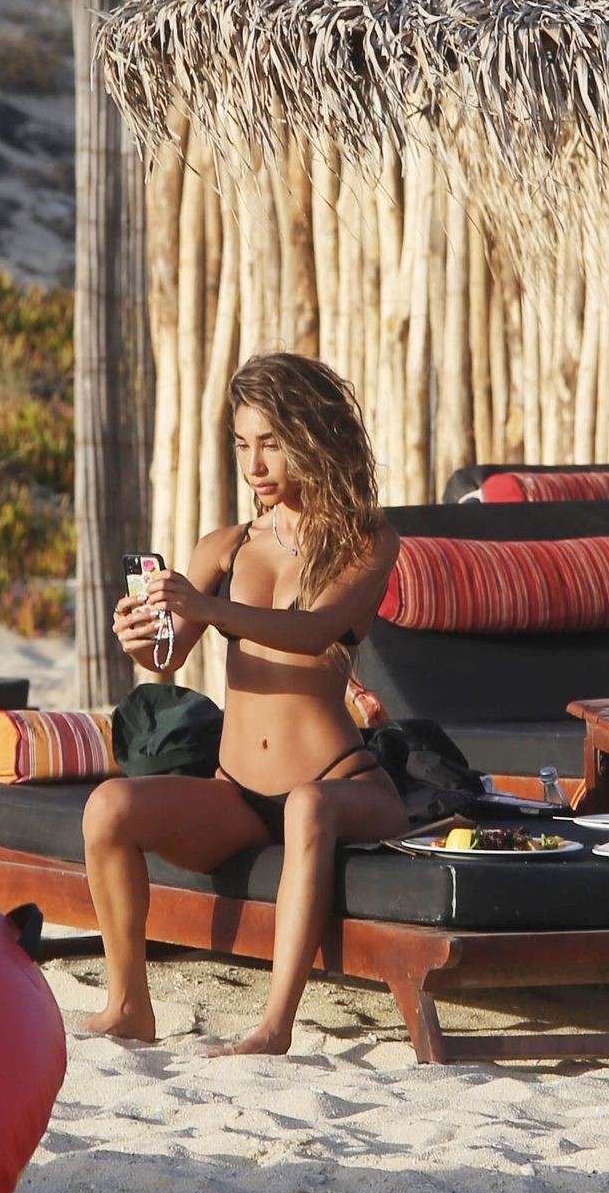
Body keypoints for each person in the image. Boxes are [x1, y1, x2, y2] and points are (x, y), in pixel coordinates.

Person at [80, 352, 408, 1054]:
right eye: (241, 444)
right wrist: (140, 637)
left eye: (271, 442)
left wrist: (206, 608)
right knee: (108, 807)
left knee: (306, 807)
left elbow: (316, 630)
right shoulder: (225, 547)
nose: (254, 464)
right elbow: (167, 656)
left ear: (312, 436)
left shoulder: (366, 541)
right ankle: (128, 1005)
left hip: (336, 784)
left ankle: (274, 1026)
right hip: (236, 792)